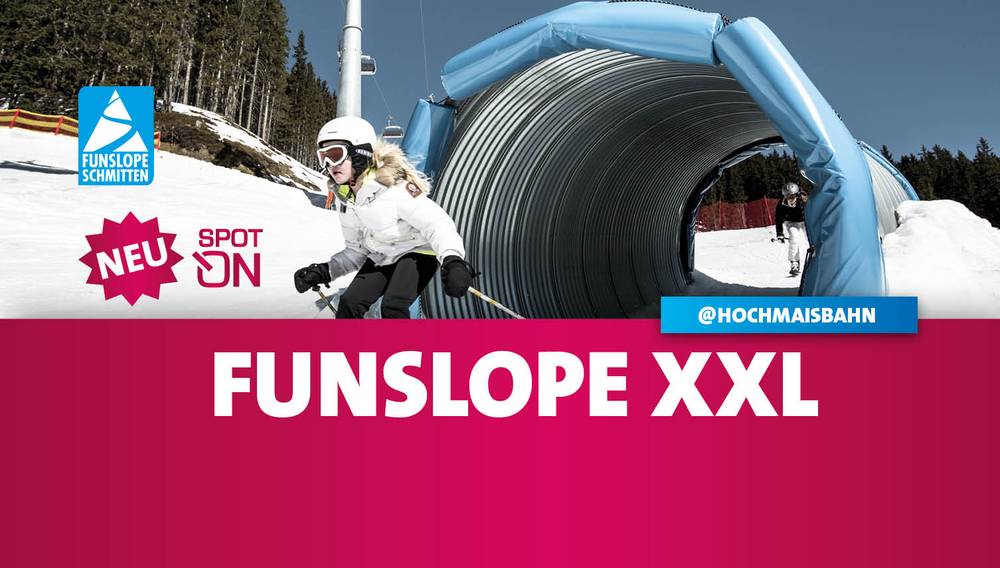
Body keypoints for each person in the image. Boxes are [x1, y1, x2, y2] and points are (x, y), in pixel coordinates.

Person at [293, 116, 475, 318]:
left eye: (335, 155)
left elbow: (437, 223)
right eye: (323, 157)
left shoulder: (394, 186)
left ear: (360, 152)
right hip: (383, 254)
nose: (329, 164)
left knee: (393, 306)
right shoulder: (345, 199)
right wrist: (325, 271)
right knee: (349, 303)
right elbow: (356, 250)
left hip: (418, 251)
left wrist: (453, 259)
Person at [774, 182, 808, 276]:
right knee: (794, 237)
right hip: (791, 222)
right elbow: (778, 219)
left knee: (811, 237)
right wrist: (780, 233)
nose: (791, 198)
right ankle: (794, 262)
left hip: (805, 220)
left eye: (793, 196)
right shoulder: (781, 204)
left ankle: (818, 255)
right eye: (788, 196)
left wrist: (806, 201)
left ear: (797, 194)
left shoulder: (802, 200)